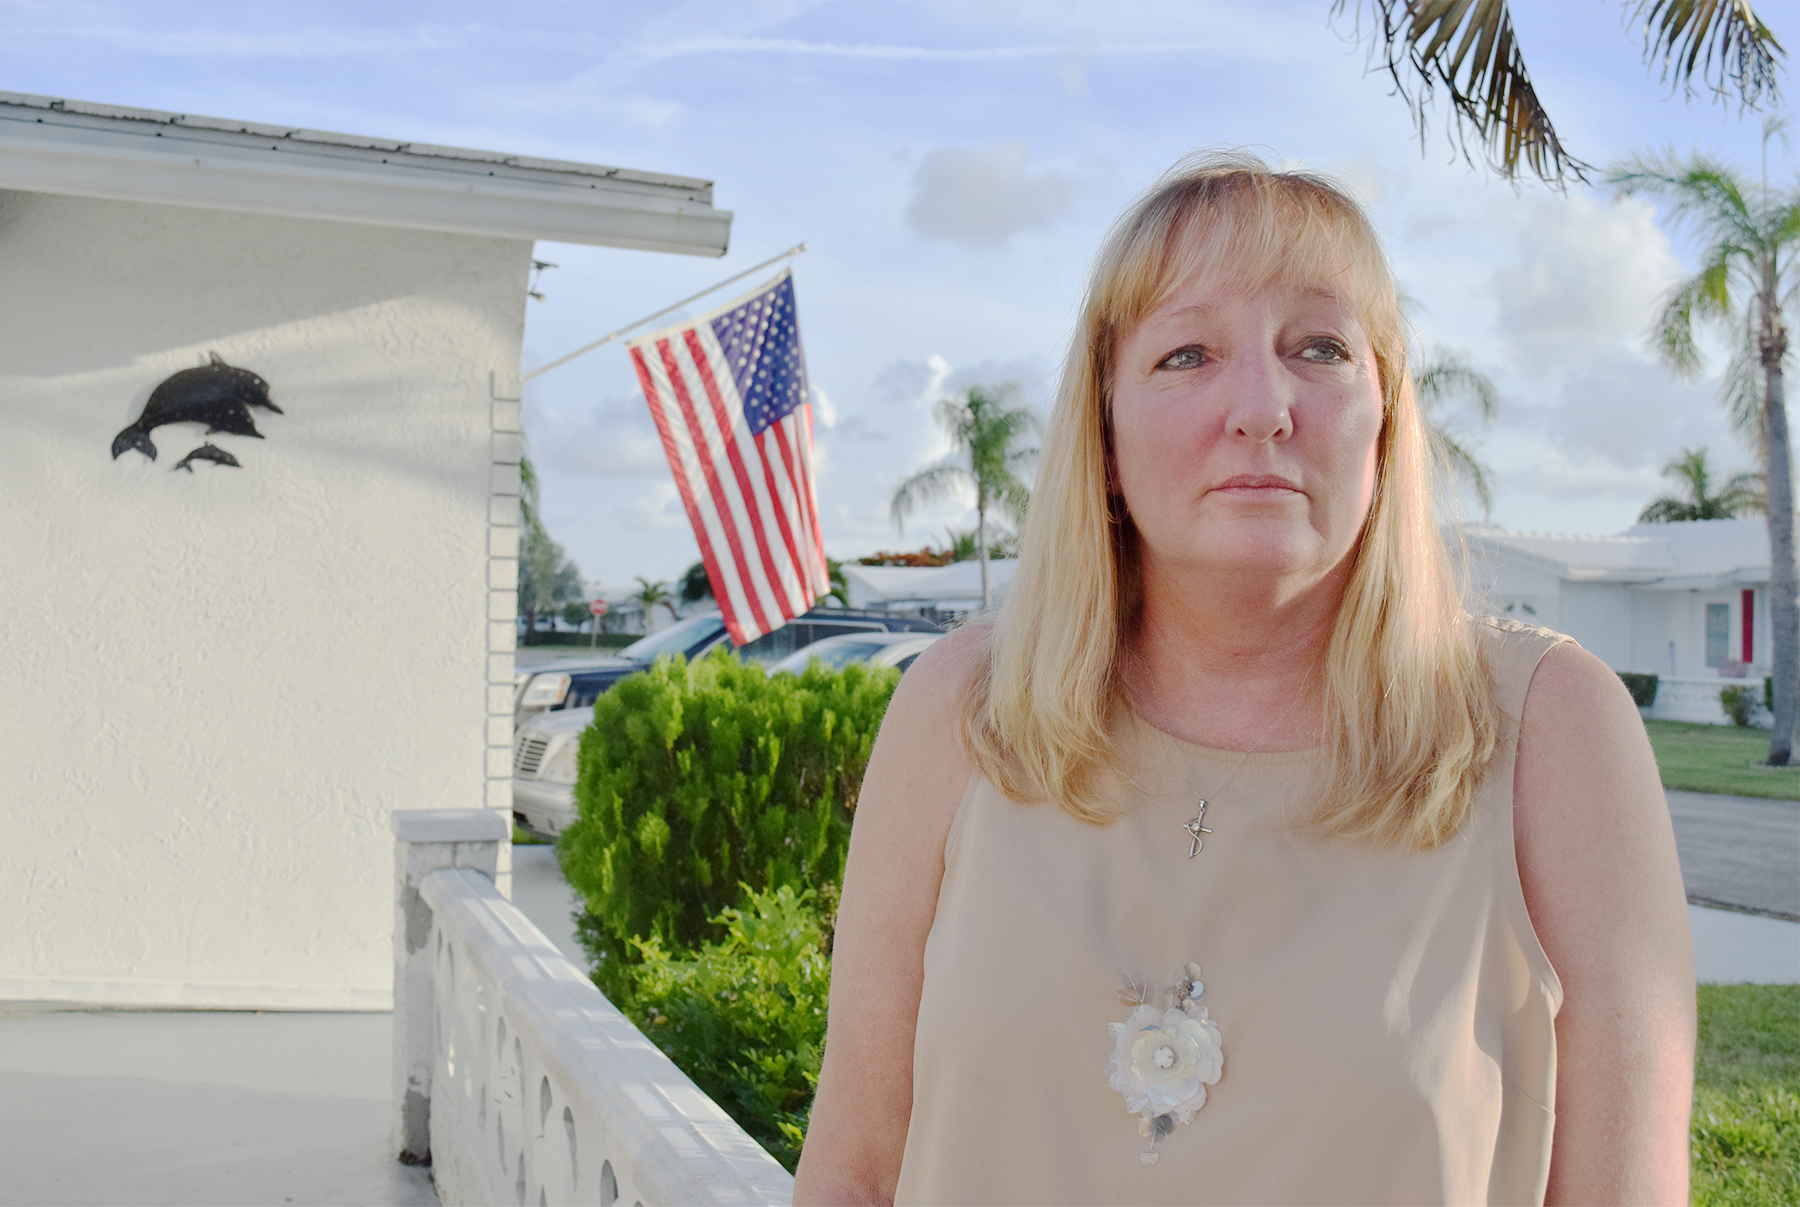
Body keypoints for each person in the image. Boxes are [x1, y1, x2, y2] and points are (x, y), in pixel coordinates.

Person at [793, 153, 1694, 1206]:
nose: (1263, 406)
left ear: (1387, 422)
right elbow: (855, 1167)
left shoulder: (1548, 727)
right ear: (1107, 436)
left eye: (1319, 347)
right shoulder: (961, 709)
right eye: (1187, 354)